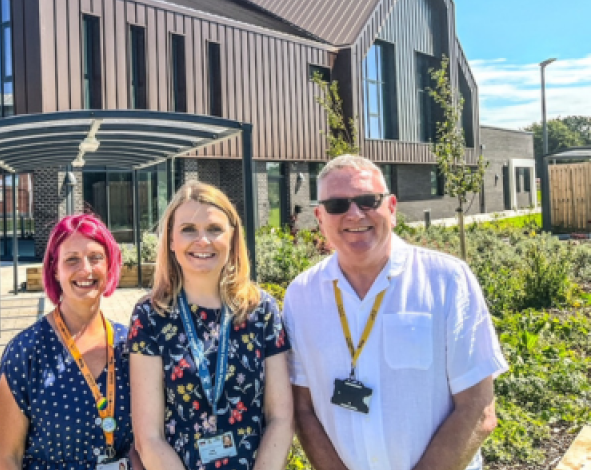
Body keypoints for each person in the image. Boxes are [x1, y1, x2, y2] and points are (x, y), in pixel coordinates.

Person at [284, 154, 508, 470]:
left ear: (391, 207)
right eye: (337, 206)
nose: (354, 214)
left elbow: (477, 408)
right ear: (320, 217)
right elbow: (303, 409)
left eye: (367, 200)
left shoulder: (447, 280)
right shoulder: (301, 295)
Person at [129, 181, 293, 470]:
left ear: (232, 237)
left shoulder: (261, 310)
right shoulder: (150, 315)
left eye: (214, 229)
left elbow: (281, 417)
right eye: (188, 229)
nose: (202, 240)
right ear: (170, 240)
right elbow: (148, 437)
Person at [0, 213, 139, 470]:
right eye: (72, 260)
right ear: (55, 270)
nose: (85, 269)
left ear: (109, 265)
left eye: (95, 257)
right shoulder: (25, 352)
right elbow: (8, 458)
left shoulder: (131, 346)